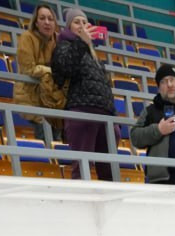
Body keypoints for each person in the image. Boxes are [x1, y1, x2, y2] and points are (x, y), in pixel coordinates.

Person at [50, 6, 116, 180]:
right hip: (82, 111)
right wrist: (81, 42)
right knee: (82, 167)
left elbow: (104, 85)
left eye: (85, 22)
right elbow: (64, 69)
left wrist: (113, 114)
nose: (81, 25)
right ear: (68, 26)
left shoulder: (93, 52)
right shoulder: (64, 45)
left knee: (109, 169)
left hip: (104, 114)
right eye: (76, 22)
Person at [13, 4, 66, 143]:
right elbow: (29, 69)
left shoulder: (59, 40)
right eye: (42, 18)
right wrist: (52, 71)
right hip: (31, 98)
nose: (47, 22)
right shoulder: (27, 37)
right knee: (45, 137)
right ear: (36, 22)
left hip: (53, 98)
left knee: (59, 141)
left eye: (50, 19)